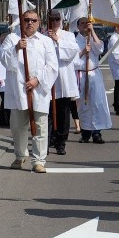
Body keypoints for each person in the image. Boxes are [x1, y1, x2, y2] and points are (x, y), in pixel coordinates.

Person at [0, 11, 59, 173]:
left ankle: (39, 160)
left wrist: (37, 80)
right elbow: (4, 60)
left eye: (34, 20)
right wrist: (16, 48)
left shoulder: (45, 41)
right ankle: (20, 156)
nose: (30, 23)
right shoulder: (12, 39)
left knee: (40, 127)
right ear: (22, 21)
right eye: (27, 20)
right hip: (18, 91)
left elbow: (52, 66)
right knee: (18, 127)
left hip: (39, 90)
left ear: (39, 23)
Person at [46, 9, 79, 155]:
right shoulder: (42, 35)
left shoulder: (68, 35)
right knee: (47, 113)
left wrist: (57, 40)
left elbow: (72, 52)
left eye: (57, 19)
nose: (54, 22)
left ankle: (61, 141)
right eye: (51, 19)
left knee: (63, 113)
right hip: (48, 80)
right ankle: (47, 140)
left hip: (63, 80)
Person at [75, 17, 112, 144]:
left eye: (87, 23)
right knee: (84, 105)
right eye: (83, 23)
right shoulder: (75, 41)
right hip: (81, 75)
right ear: (78, 26)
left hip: (94, 74)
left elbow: (100, 49)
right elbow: (73, 60)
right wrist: (83, 51)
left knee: (97, 103)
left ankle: (97, 133)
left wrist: (93, 33)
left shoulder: (92, 38)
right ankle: (85, 133)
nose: (85, 25)